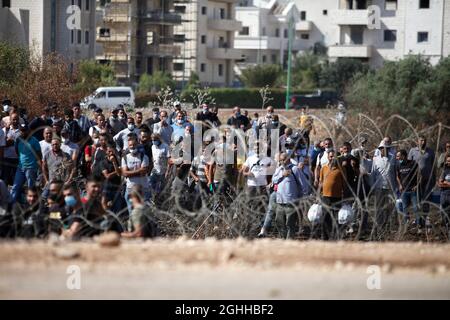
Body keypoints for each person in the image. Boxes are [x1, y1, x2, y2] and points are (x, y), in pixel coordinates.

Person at [272, 152, 304, 239]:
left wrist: (301, 197)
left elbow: (303, 184)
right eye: (281, 160)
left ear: (289, 159)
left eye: (284, 160)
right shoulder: (279, 169)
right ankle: (283, 238)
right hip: (280, 201)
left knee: (290, 223)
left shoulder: (295, 169)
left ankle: (289, 241)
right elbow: (274, 180)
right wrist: (282, 175)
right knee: (279, 221)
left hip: (291, 201)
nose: (282, 162)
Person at [11, 124, 42, 203]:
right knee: (15, 186)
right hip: (20, 167)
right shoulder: (18, 140)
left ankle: (31, 207)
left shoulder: (34, 140)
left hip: (31, 168)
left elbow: (39, 154)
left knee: (31, 189)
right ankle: (11, 205)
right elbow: (17, 152)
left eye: (25, 130)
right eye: (21, 130)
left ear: (28, 131)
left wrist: (37, 166)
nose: (23, 132)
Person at [372, 140, 397, 235]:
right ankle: (378, 226)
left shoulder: (393, 159)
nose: (383, 150)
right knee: (378, 208)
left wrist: (397, 186)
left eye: (386, 148)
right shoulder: (376, 159)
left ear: (389, 149)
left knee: (389, 208)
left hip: (390, 187)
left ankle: (387, 225)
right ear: (380, 149)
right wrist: (372, 187)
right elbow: (373, 174)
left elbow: (396, 172)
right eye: (381, 149)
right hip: (379, 187)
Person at [319, 150, 345, 240]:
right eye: (331, 156)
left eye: (334, 157)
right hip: (325, 197)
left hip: (337, 197)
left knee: (336, 218)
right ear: (328, 157)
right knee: (325, 217)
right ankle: (324, 236)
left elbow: (344, 183)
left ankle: (335, 236)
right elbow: (320, 182)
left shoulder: (341, 169)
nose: (332, 158)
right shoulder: (324, 168)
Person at [408, 135, 435, 221]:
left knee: (426, 199)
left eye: (424, 140)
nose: (423, 142)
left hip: (428, 179)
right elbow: (408, 165)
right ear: (417, 141)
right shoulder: (412, 151)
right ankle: (417, 218)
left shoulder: (430, 151)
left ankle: (426, 217)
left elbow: (433, 166)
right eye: (421, 140)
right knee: (417, 199)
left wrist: (434, 179)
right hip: (416, 180)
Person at [121, 136, 151, 214]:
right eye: (130, 145)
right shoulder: (125, 158)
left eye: (134, 145)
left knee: (145, 212)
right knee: (132, 212)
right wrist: (139, 171)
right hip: (130, 188)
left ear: (137, 144)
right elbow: (124, 173)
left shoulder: (144, 157)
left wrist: (130, 173)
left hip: (143, 188)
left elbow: (143, 172)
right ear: (128, 146)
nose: (132, 147)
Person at [396, 149, 419, 224]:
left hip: (413, 190)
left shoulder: (413, 163)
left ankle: (419, 224)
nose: (397, 158)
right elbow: (398, 176)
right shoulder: (399, 165)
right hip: (404, 191)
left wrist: (417, 185)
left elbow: (419, 175)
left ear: (403, 156)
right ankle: (406, 224)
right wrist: (400, 185)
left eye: (398, 156)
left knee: (416, 208)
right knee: (405, 208)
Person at [101, 145, 123, 213]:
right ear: (106, 152)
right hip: (107, 188)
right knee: (106, 207)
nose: (111, 153)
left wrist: (114, 162)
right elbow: (107, 176)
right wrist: (117, 171)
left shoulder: (118, 161)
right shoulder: (103, 162)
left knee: (118, 208)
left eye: (112, 151)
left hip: (116, 187)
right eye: (109, 151)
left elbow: (119, 174)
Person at [2, 112, 21, 186]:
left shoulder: (21, 131)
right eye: (13, 119)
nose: (15, 121)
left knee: (15, 181)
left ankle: (14, 197)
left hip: (17, 159)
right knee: (5, 179)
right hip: (6, 158)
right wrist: (7, 142)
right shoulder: (4, 130)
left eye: (17, 119)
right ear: (10, 120)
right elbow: (2, 143)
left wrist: (12, 142)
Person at [438, 154, 450, 236]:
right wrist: (447, 183)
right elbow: (439, 184)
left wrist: (444, 182)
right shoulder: (444, 170)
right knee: (445, 214)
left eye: (449, 161)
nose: (448, 162)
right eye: (447, 161)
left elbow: (443, 182)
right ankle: (447, 229)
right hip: (444, 195)